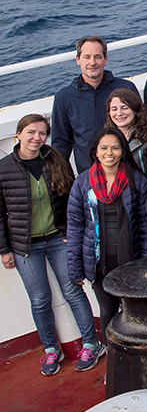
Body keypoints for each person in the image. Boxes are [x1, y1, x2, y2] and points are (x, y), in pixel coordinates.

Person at [0, 115, 105, 375]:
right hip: (25, 245)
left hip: (59, 239)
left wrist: (72, 231)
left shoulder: (55, 159)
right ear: (19, 134)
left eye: (42, 133)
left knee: (73, 290)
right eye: (31, 132)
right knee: (39, 299)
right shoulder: (4, 168)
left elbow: (72, 196)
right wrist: (4, 249)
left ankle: (91, 343)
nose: (37, 138)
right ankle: (50, 350)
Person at [67, 128, 147, 342]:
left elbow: (146, 225)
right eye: (103, 147)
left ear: (123, 151)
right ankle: (113, 361)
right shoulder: (82, 183)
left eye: (115, 147)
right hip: (99, 264)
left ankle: (137, 356)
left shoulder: (137, 181)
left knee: (136, 313)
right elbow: (75, 226)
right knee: (107, 312)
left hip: (131, 263)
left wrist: (146, 262)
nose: (109, 152)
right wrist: (75, 269)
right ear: (96, 151)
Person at [52, 36, 140, 173]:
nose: (92, 62)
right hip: (90, 174)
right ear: (78, 60)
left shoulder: (126, 87)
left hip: (129, 169)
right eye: (87, 57)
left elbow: (143, 126)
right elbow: (61, 144)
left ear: (106, 59)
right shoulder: (64, 98)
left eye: (97, 57)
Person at [105, 88, 147, 179]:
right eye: (114, 109)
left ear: (135, 110)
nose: (119, 113)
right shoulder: (105, 140)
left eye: (125, 108)